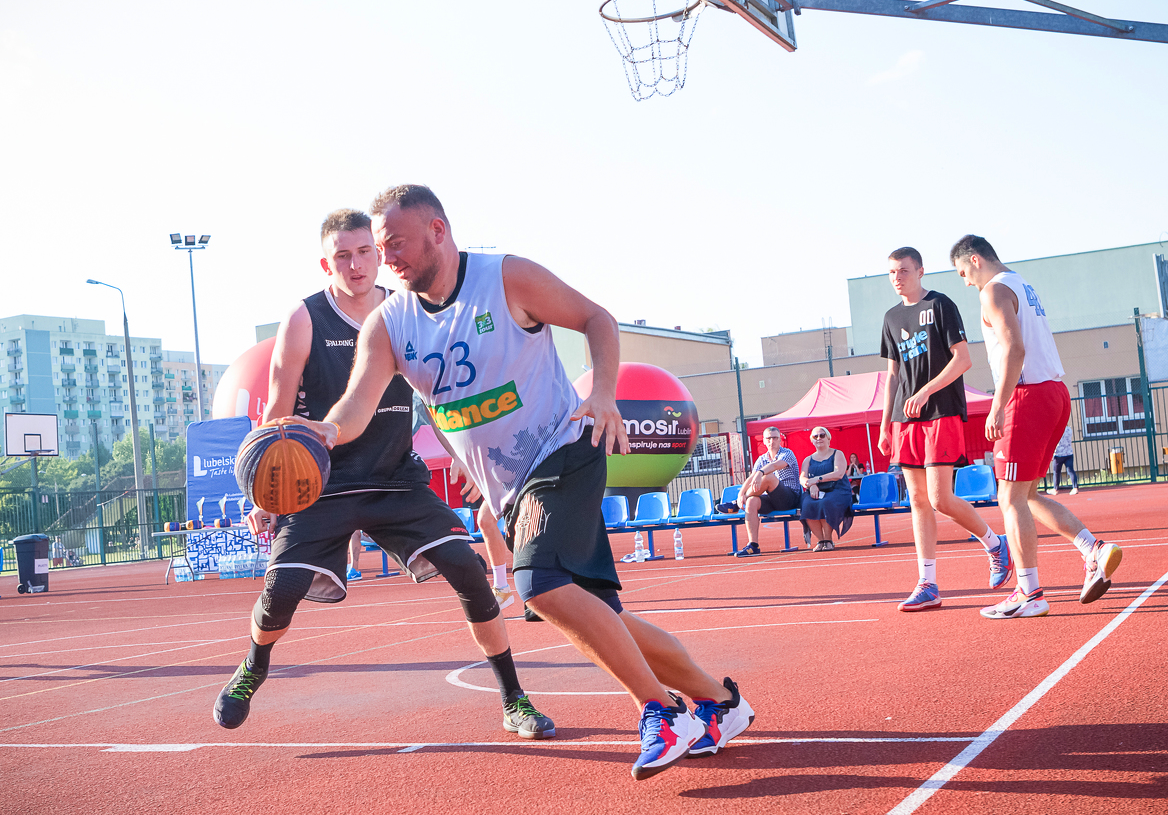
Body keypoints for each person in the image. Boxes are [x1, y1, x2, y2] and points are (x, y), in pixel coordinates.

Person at [306, 184, 753, 780]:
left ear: (438, 230)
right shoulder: (388, 324)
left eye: (395, 244)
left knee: (537, 588)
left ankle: (662, 712)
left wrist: (602, 392)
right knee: (602, 618)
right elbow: (357, 402)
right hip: (510, 489)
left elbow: (596, 318)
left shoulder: (507, 278)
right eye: (381, 248)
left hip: (563, 447)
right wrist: (324, 432)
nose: (387, 259)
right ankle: (721, 702)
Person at [212, 208, 553, 741]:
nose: (356, 265)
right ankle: (254, 665)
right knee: (282, 590)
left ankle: (514, 699)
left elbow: (437, 395)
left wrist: (463, 457)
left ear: (378, 254)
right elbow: (277, 408)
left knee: (467, 569)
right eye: (342, 256)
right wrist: (265, 494)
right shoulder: (305, 319)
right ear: (326, 264)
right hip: (320, 485)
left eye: (364, 252)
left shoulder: (406, 310)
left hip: (395, 478)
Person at [950, 235, 1122, 618]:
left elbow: (1015, 349)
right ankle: (1092, 550)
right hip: (1054, 392)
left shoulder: (993, 291)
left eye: (962, 272)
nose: (965, 281)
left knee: (1008, 498)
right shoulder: (1022, 284)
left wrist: (997, 406)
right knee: (1026, 495)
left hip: (1027, 396)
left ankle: (1029, 593)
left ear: (975, 260)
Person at [879, 246, 1013, 612]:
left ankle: (995, 544)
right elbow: (893, 376)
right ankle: (928, 584)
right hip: (906, 419)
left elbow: (963, 359)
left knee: (940, 498)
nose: (897, 277)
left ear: (920, 271)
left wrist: (925, 391)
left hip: (941, 411)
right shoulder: (891, 318)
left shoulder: (940, 305)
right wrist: (886, 424)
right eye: (892, 272)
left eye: (904, 271)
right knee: (917, 501)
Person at [726, 426, 802, 556]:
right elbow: (751, 478)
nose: (772, 441)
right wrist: (741, 494)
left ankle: (735, 505)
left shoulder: (787, 453)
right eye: (769, 438)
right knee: (751, 502)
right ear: (764, 441)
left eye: (775, 438)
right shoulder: (762, 459)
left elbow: (775, 465)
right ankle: (753, 546)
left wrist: (760, 473)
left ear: (780, 439)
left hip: (790, 498)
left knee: (769, 477)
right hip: (772, 499)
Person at [798, 426, 853, 552]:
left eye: (822, 435)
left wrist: (817, 479)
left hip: (838, 490)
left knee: (825, 502)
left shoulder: (837, 454)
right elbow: (802, 478)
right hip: (815, 490)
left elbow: (839, 473)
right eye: (815, 436)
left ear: (828, 438)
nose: (819, 438)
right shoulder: (808, 459)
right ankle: (821, 540)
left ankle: (828, 540)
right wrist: (811, 485)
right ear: (812, 440)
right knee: (807, 504)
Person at [1048, 425, 1079, 496]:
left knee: (1056, 472)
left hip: (1058, 454)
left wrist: (1051, 453)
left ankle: (1055, 489)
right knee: (1071, 470)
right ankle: (1075, 487)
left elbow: (1053, 442)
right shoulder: (1069, 429)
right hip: (1069, 453)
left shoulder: (1056, 430)